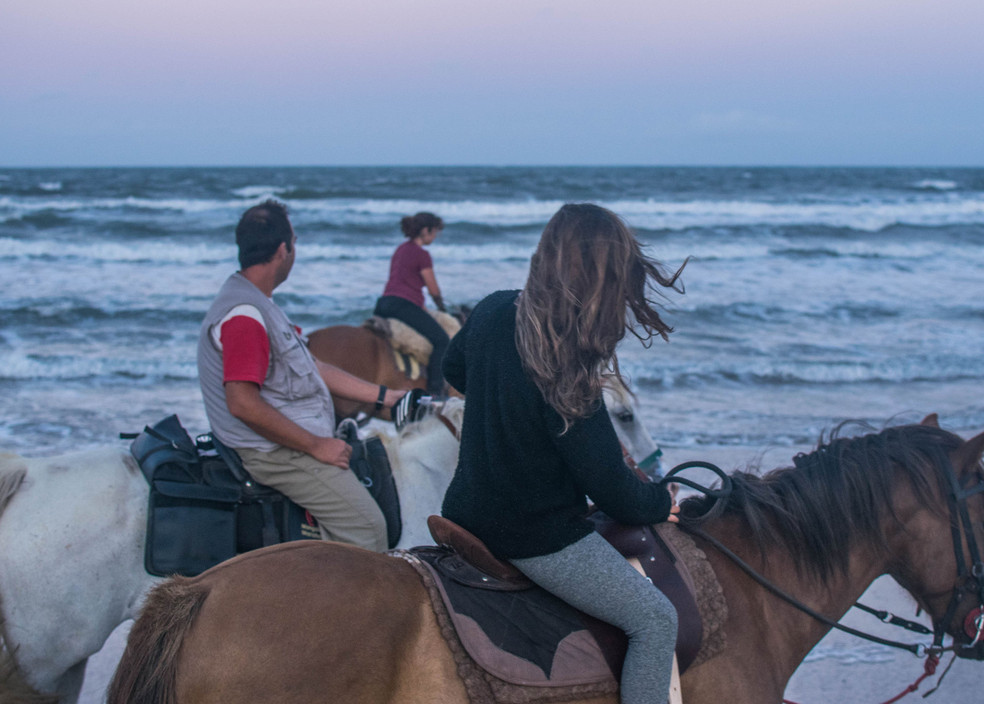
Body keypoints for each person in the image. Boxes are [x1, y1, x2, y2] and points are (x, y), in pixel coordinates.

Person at [440, 203, 685, 704]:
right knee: (656, 620)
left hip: (464, 509)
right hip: (532, 535)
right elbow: (613, 491)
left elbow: (454, 369)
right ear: (604, 279)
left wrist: (505, 411)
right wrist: (662, 502)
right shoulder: (569, 366)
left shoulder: (492, 309)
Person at [198, 199, 420, 551]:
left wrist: (384, 396)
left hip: (285, 440)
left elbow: (314, 367)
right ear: (283, 250)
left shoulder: (259, 303)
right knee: (367, 528)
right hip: (273, 452)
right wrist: (318, 446)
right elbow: (242, 403)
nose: (294, 250)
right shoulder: (245, 315)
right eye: (295, 242)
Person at [374, 211, 450, 394]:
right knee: (442, 341)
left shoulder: (401, 249)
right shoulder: (422, 254)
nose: (435, 236)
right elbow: (433, 289)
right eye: (434, 232)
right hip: (402, 305)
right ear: (425, 231)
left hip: (384, 303)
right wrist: (441, 305)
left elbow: (402, 281)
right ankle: (435, 392)